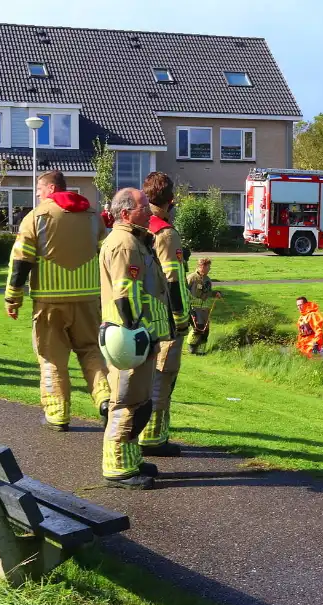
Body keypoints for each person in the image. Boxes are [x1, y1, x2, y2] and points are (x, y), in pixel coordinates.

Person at [5, 170, 109, 431]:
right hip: (87, 299)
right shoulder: (93, 216)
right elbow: (105, 253)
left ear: (50, 188)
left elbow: (21, 261)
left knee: (52, 358)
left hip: (49, 301)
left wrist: (13, 298)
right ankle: (106, 399)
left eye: (39, 191)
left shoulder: (36, 217)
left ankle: (57, 414)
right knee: (91, 351)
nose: (37, 195)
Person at [98, 187, 173, 489]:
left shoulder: (135, 240)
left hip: (139, 337)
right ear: (127, 212)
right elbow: (125, 295)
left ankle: (131, 459)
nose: (150, 210)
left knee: (139, 400)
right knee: (127, 401)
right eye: (144, 206)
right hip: (130, 340)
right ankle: (118, 468)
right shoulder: (124, 244)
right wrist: (138, 334)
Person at [139, 172, 189, 457]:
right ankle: (153, 438)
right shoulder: (166, 234)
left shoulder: (136, 226)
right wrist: (181, 319)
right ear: (171, 200)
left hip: (138, 314)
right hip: (164, 318)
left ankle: (137, 432)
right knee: (163, 376)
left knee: (140, 378)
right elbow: (174, 279)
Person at [185, 257, 220, 355]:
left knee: (206, 330)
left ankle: (201, 350)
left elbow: (208, 292)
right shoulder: (192, 277)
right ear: (201, 266)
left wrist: (215, 293)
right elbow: (184, 292)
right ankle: (192, 347)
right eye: (208, 267)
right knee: (198, 328)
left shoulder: (208, 279)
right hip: (193, 308)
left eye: (209, 267)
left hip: (204, 309)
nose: (209, 269)